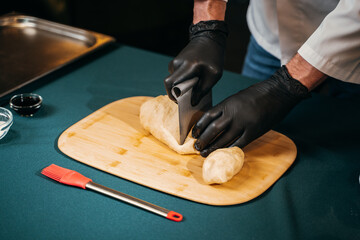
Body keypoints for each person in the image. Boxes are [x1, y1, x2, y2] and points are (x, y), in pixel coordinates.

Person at [164, 0, 360, 157]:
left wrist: (285, 86)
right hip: (270, 28)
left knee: (340, 147)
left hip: (351, 45)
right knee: (245, 138)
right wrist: (207, 26)